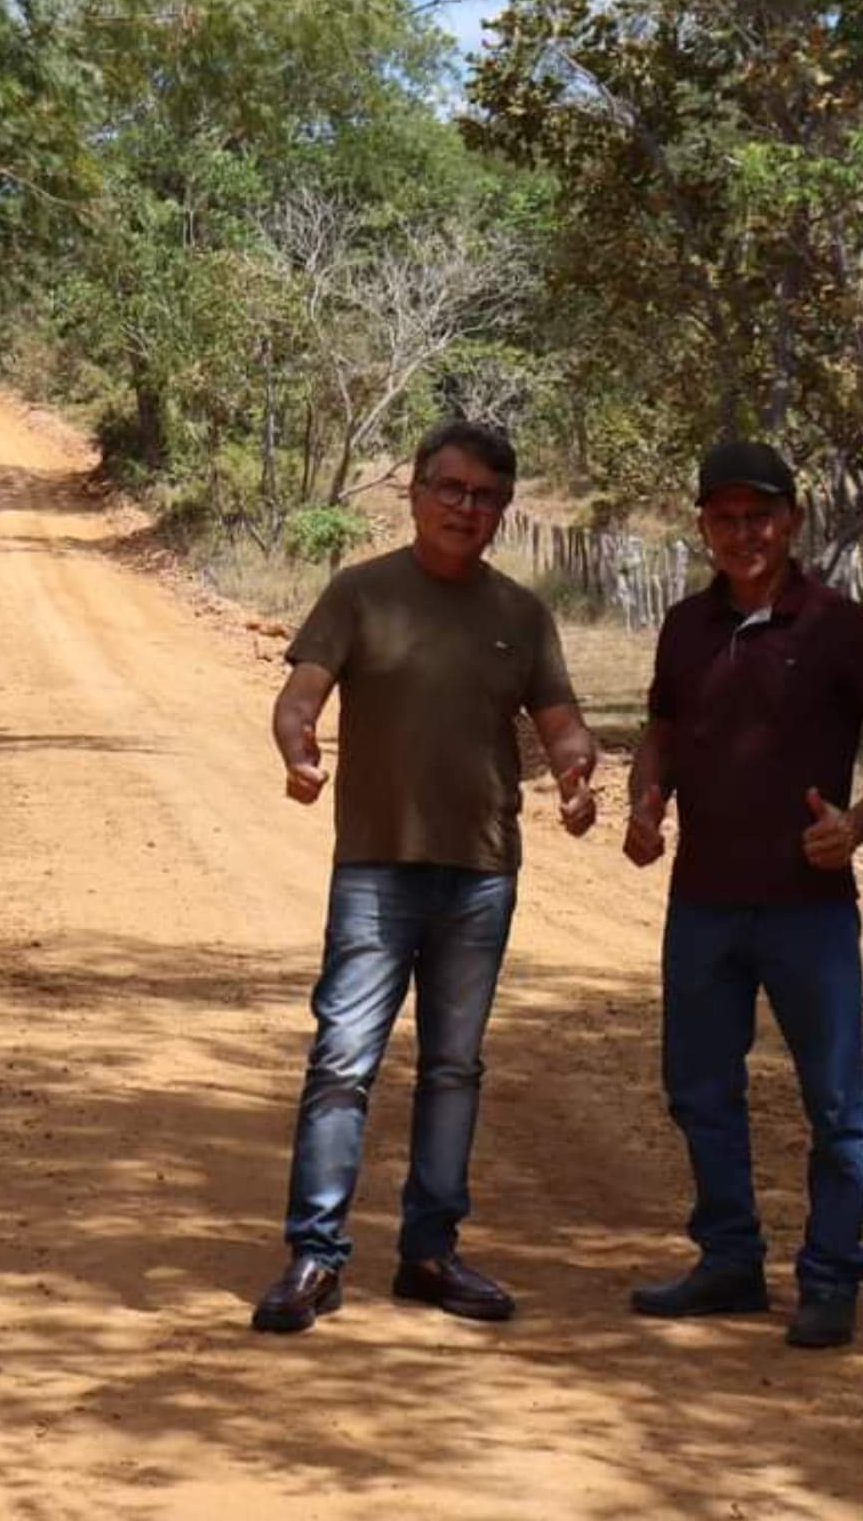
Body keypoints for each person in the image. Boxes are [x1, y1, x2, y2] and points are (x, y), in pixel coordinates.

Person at [252, 419, 597, 1333]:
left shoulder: (521, 614)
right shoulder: (361, 594)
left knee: (453, 1069)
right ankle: (316, 1258)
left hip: (480, 874)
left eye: (484, 496)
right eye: (449, 489)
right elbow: (298, 697)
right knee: (342, 1062)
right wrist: (300, 751)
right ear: (414, 491)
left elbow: (560, 718)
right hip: (376, 869)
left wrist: (574, 770)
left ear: (503, 510)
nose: (464, 508)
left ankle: (431, 1255)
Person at [624, 440, 863, 1350]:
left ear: (792, 520)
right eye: (724, 518)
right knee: (699, 1089)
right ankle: (729, 1262)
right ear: (703, 528)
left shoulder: (840, 624)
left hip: (810, 908)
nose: (743, 533)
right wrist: (648, 797)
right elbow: (663, 727)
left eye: (759, 515)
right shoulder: (685, 626)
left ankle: (832, 1278)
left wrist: (855, 825)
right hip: (703, 903)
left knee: (839, 1103)